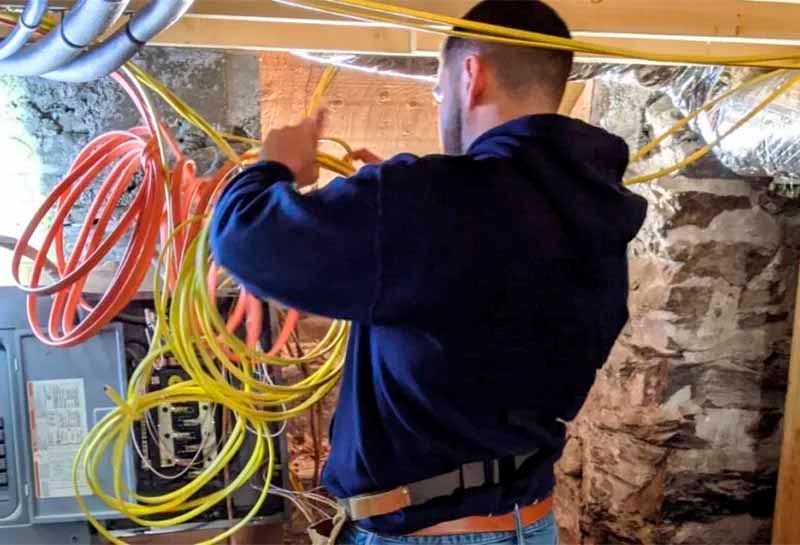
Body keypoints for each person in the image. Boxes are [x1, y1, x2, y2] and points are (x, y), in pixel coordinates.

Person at [210, 1, 647, 543]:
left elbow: (244, 237)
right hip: (528, 521)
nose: (441, 105)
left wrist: (276, 165)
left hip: (429, 533)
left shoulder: (432, 204)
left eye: (438, 90)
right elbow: (474, 298)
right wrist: (388, 215)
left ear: (471, 75)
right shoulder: (590, 208)